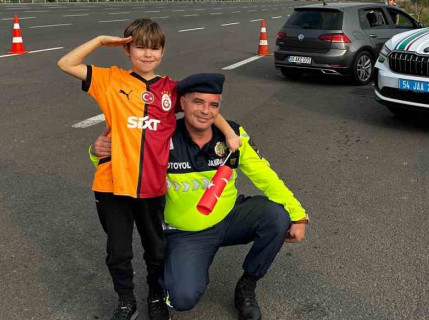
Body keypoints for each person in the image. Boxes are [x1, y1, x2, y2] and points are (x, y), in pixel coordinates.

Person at [57, 19, 240, 320]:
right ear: (126, 49)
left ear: (163, 52)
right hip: (112, 184)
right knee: (118, 252)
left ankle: (156, 294)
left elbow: (203, 107)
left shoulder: (171, 89)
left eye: (154, 48)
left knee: (155, 249)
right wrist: (102, 40)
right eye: (139, 46)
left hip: (153, 186)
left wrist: (228, 132)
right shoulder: (110, 80)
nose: (147, 54)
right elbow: (66, 63)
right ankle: (126, 300)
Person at [90, 73, 308, 320]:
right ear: (182, 103)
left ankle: (247, 286)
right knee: (181, 298)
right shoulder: (161, 135)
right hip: (186, 233)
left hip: (228, 217)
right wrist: (97, 151)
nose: (205, 111)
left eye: (213, 105)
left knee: (278, 217)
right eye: (198, 102)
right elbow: (123, 160)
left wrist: (298, 214)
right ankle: (172, 275)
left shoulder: (232, 135)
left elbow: (265, 175)